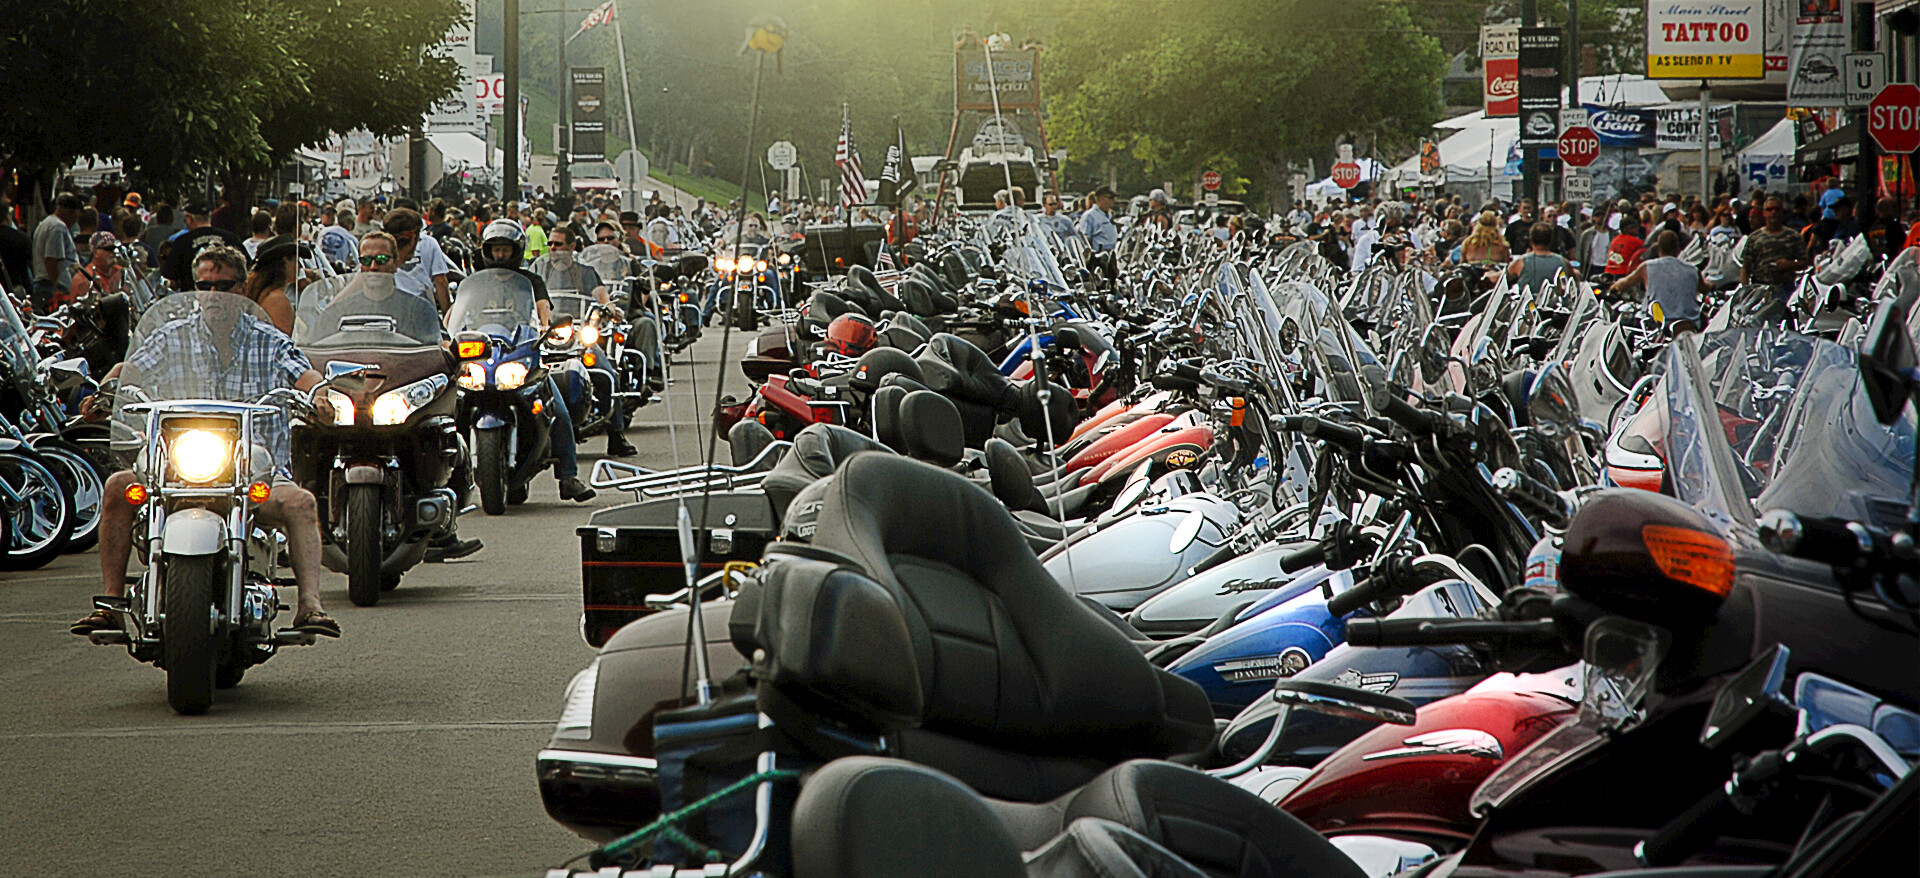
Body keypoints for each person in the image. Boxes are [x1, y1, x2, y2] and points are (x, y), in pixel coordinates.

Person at [71, 251, 342, 639]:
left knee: (301, 503)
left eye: (223, 286)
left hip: (252, 469)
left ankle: (310, 605)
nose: (214, 295)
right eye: (205, 286)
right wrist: (105, 391)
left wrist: (320, 395)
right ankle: (111, 605)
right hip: (176, 467)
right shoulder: (171, 335)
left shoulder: (269, 340)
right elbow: (130, 369)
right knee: (117, 487)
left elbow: (304, 373)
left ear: (242, 289)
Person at [476, 219, 595, 502]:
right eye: (496, 249)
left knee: (559, 413)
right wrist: (446, 333)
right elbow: (458, 312)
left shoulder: (531, 281)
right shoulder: (477, 282)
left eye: (505, 249)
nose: (500, 255)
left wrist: (546, 328)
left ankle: (568, 477)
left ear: (516, 250)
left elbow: (543, 309)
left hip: (522, 353)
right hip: (485, 357)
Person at [530, 224, 637, 457]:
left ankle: (616, 435)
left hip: (578, 333)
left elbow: (600, 292)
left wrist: (609, 306)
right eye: (550, 244)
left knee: (607, 373)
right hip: (546, 333)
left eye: (558, 244)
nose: (553, 248)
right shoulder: (539, 271)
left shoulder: (585, 271)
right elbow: (527, 298)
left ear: (572, 247)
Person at [1612, 230, 1706, 334]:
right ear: (1678, 249)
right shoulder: (1692, 270)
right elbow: (1705, 288)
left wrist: (1613, 287)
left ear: (1657, 248)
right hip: (1690, 326)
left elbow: (1624, 283)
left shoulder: (1647, 267)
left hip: (1657, 327)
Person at [1739, 196, 1809, 306]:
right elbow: (1746, 268)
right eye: (1770, 209)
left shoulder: (1793, 236)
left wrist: (1789, 264)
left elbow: (1804, 262)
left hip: (1785, 289)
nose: (1773, 212)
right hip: (1760, 289)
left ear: (1782, 212)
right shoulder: (1754, 238)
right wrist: (1746, 291)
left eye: (1777, 209)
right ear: (1764, 213)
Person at [160, 200, 245, 290]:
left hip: (191, 297)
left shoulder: (182, 242)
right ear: (209, 217)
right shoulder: (231, 238)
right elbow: (248, 268)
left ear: (189, 218)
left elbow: (170, 280)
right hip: (227, 296)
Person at [381, 208, 453, 314]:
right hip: (422, 312)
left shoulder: (374, 255)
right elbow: (440, 282)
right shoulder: (429, 243)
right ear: (413, 238)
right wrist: (447, 316)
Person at [239, 235, 299, 334]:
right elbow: (284, 340)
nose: (299, 266)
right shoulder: (277, 300)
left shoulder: (261, 291)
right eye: (296, 260)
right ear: (285, 261)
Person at [32, 193, 82, 310]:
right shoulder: (57, 227)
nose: (76, 220)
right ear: (70, 212)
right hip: (50, 288)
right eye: (77, 215)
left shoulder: (47, 223)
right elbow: (51, 260)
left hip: (46, 286)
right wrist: (57, 288)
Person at [1508, 222, 1572, 297]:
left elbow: (1504, 278)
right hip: (1555, 303)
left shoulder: (1521, 262)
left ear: (1530, 240)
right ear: (1551, 240)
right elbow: (1574, 279)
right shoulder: (1563, 262)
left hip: (1529, 303)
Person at [66, 231, 124, 308]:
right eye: (109, 249)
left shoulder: (120, 272)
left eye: (116, 248)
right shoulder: (84, 278)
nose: (114, 252)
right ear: (95, 252)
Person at [319, 204, 359, 273]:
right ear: (349, 222)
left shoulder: (323, 232)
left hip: (322, 269)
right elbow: (355, 261)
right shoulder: (352, 239)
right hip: (341, 272)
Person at [1078, 186, 1118, 252]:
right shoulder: (1089, 215)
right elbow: (1085, 240)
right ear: (1100, 199)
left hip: (1112, 253)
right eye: (1111, 198)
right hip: (1098, 254)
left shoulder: (1108, 214)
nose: (1113, 200)